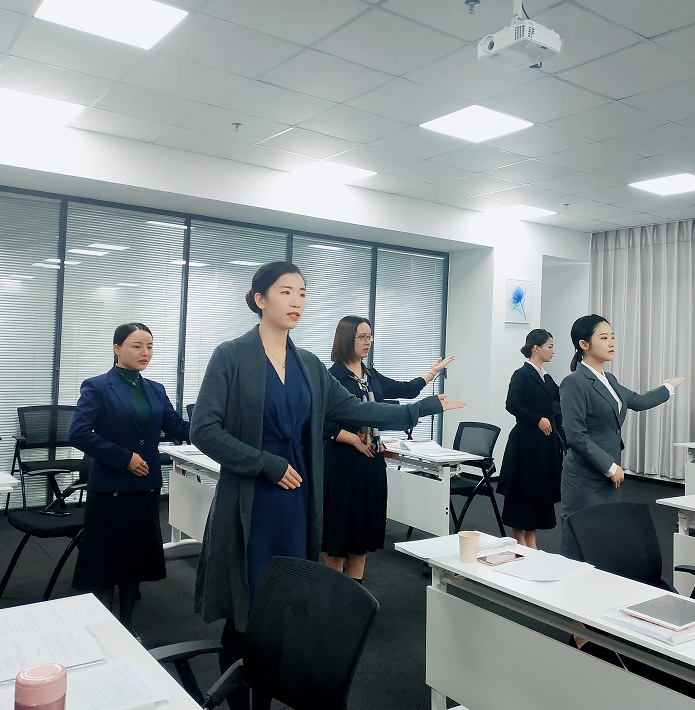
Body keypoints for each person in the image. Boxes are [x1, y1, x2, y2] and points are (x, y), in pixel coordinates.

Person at [190, 261, 464, 710]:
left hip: (297, 497)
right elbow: (203, 429)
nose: (296, 301)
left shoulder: (309, 364)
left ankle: (265, 699)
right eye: (285, 292)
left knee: (282, 612)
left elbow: (357, 410)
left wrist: (421, 407)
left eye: (302, 293)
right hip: (253, 499)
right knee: (246, 612)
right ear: (259, 299)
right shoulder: (231, 355)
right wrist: (265, 463)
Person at [68, 322, 190, 637]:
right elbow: (78, 433)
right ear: (117, 348)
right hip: (111, 489)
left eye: (149, 346)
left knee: (134, 562)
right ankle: (103, 629)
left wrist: (214, 427)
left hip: (144, 487)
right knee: (105, 565)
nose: (144, 352)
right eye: (136, 346)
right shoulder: (97, 387)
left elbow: (177, 427)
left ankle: (127, 625)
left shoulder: (155, 389)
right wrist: (124, 458)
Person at [322, 315, 454, 582]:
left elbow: (406, 390)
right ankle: (331, 595)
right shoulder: (332, 377)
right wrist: (354, 440)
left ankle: (355, 594)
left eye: (369, 336)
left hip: (370, 461)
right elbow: (322, 423)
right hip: (342, 463)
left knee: (361, 537)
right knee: (338, 536)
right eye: (361, 337)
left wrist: (432, 372)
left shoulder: (369, 375)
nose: (367, 342)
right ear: (346, 339)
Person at [558, 315, 685, 524]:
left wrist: (668, 387)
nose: (611, 343)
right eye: (604, 338)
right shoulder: (574, 382)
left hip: (608, 475)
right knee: (582, 533)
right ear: (584, 344)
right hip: (586, 476)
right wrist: (610, 466)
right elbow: (575, 436)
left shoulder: (609, 379)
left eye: (613, 337)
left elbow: (638, 401)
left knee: (607, 533)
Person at [496, 329, 560, 549]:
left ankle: (531, 539)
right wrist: (537, 419)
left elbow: (559, 400)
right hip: (525, 443)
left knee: (538, 489)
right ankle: (520, 539)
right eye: (550, 346)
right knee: (522, 489)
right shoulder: (521, 374)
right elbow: (512, 404)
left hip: (543, 444)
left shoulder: (547, 378)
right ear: (536, 348)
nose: (553, 351)